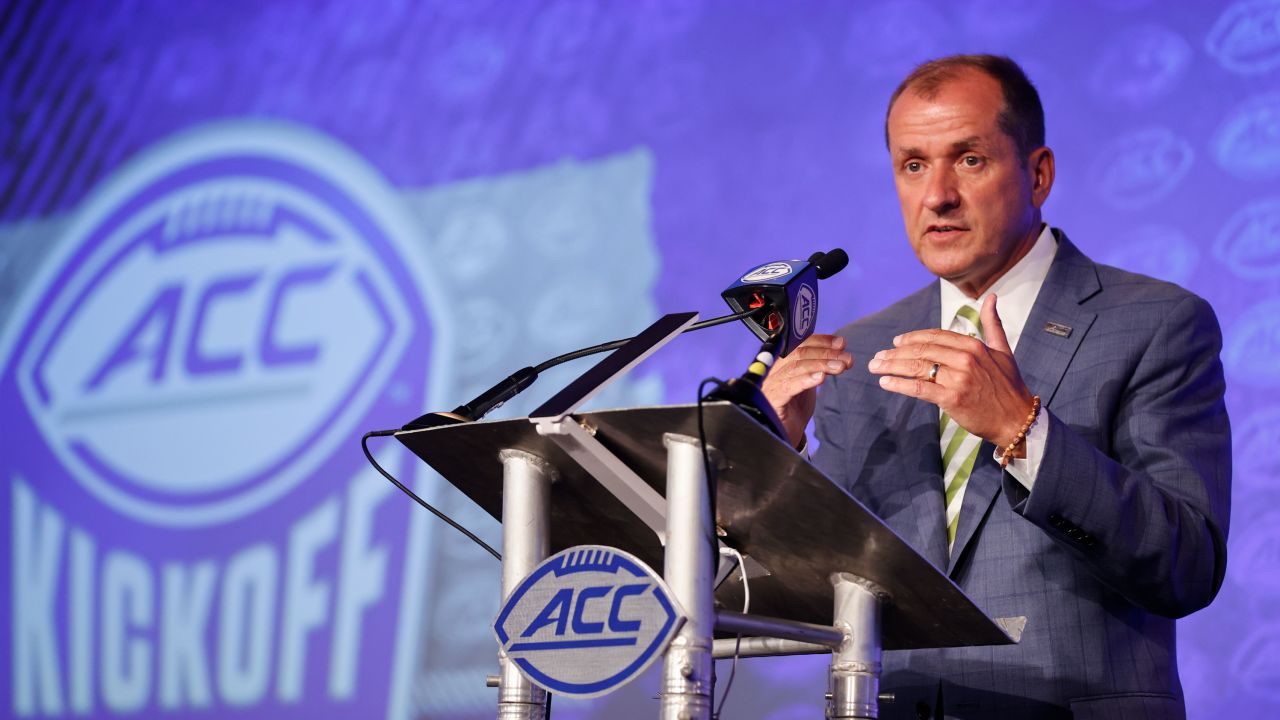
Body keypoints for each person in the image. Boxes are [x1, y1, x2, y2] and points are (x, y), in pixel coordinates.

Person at [762, 54, 1230, 720]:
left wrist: (1023, 431)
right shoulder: (863, 350)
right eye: (913, 165)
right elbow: (823, 578)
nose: (937, 196)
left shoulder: (1156, 323)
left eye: (970, 159)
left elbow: (1186, 564)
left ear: (1038, 174)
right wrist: (772, 467)